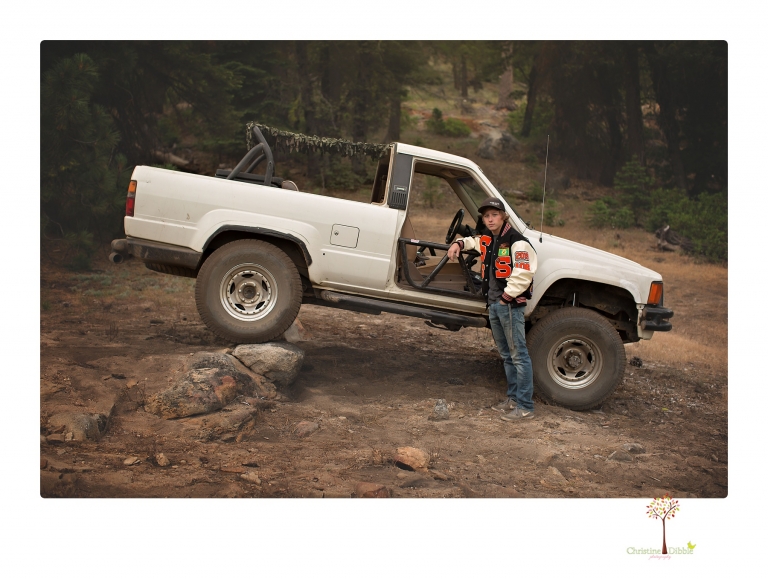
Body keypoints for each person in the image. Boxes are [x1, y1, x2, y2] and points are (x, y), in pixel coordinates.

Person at [447, 197, 538, 420]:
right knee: (507, 355)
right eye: (486, 216)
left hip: (509, 305)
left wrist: (507, 297)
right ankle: (513, 398)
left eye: (494, 215)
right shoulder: (489, 238)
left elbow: (525, 271)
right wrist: (459, 243)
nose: (490, 219)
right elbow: (474, 241)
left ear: (503, 216)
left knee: (519, 355)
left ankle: (525, 406)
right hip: (495, 305)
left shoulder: (517, 241)